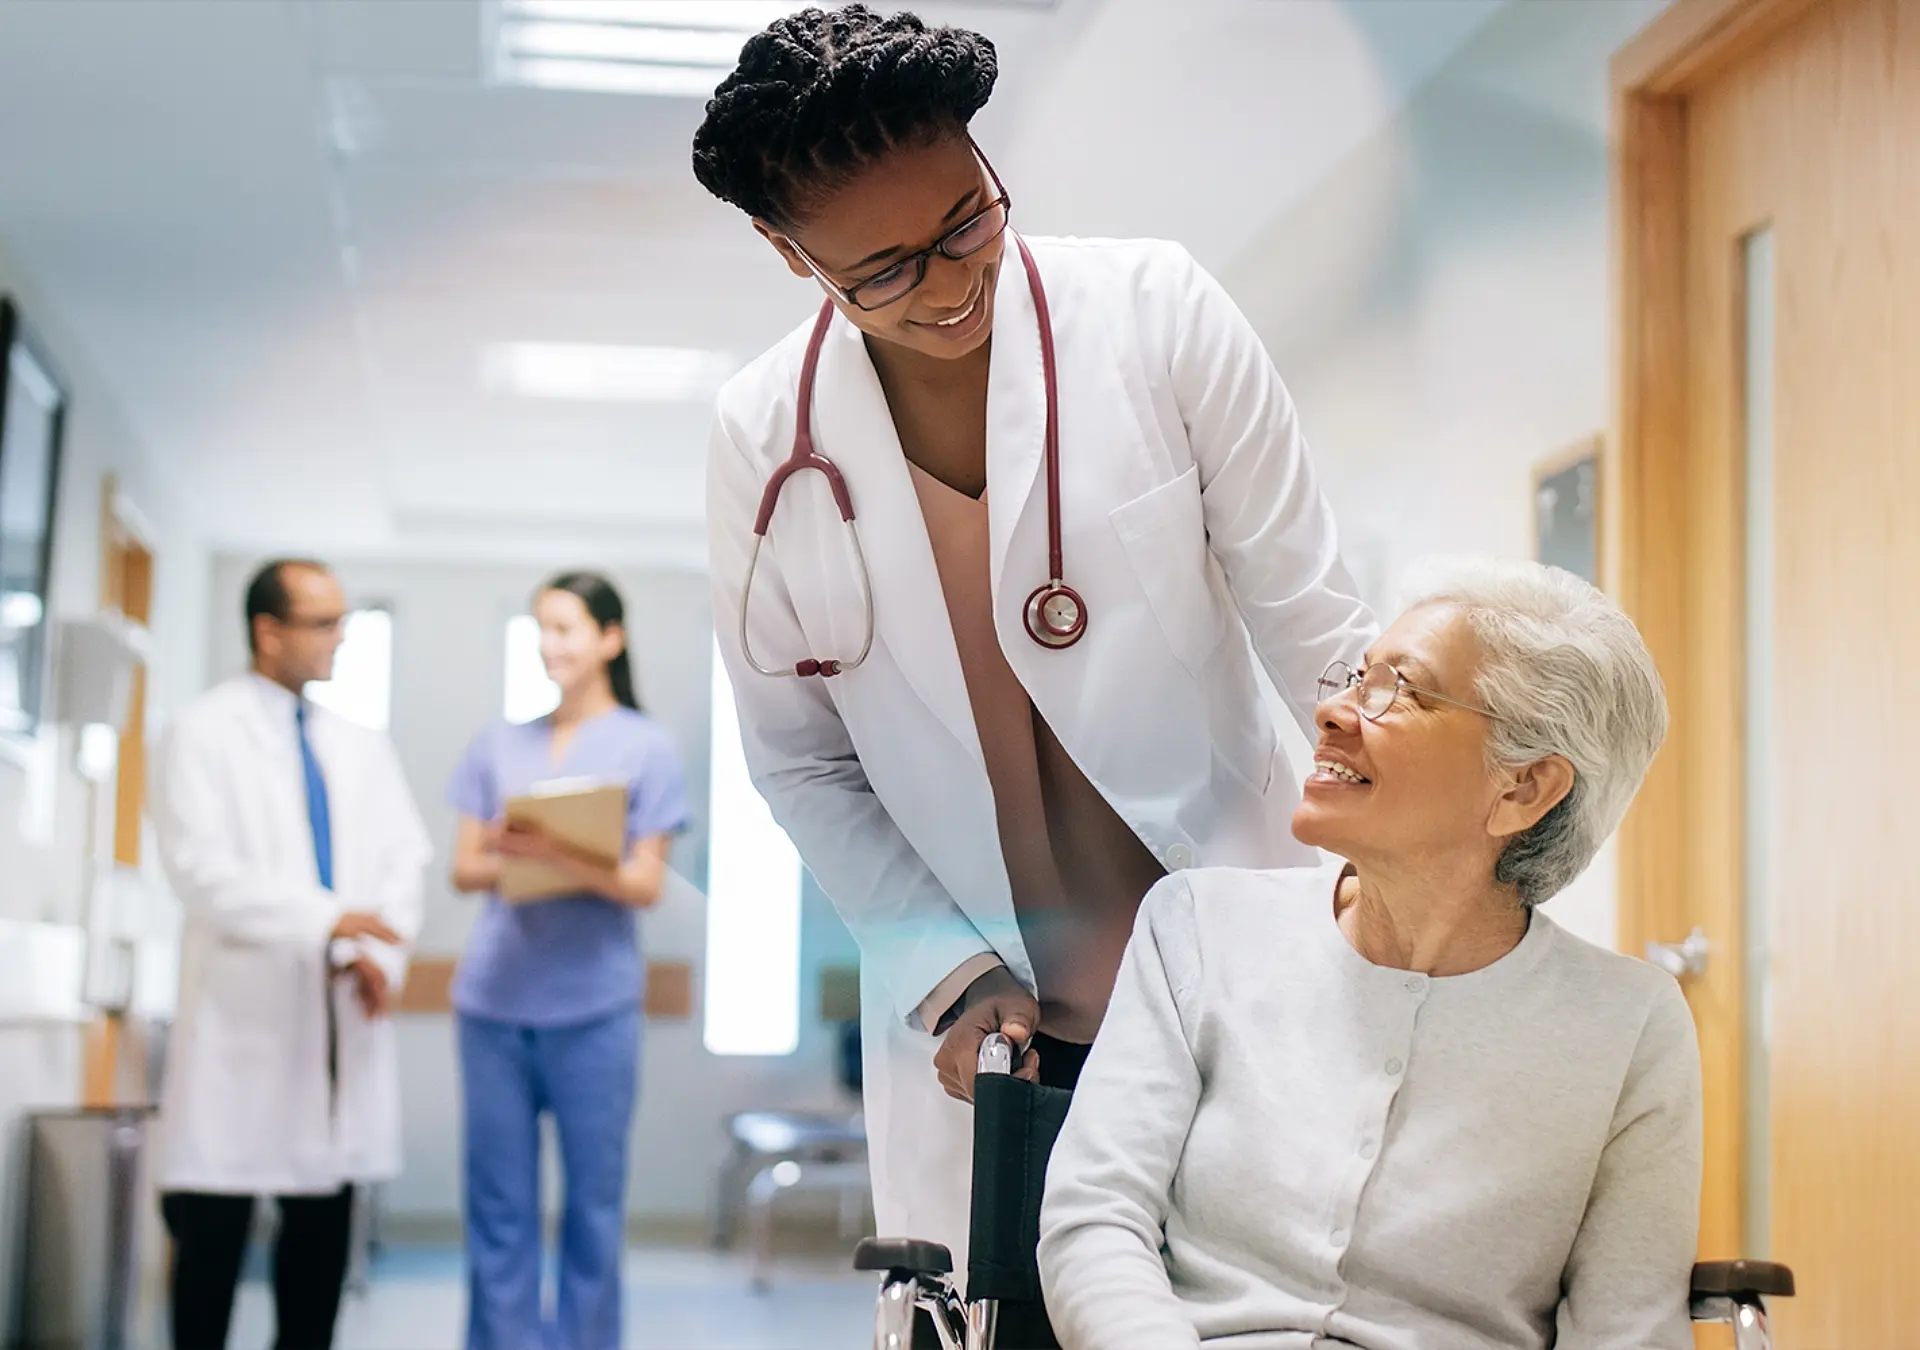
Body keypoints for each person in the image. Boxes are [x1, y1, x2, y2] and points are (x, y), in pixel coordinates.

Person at [695, 3, 1376, 1262]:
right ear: (788, 252)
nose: (952, 286)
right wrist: (947, 976)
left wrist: (1422, 866)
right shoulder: (760, 436)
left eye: (967, 221)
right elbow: (799, 758)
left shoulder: (1154, 313)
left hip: (1233, 965)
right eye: (885, 271)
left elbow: (1318, 627)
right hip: (991, 1031)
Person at [1038, 558, 1701, 1350]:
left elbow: (1626, 1329)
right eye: (1355, 676)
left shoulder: (1627, 1026)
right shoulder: (1199, 927)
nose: (1333, 711)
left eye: (1402, 690)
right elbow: (1095, 1220)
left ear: (1523, 790)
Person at [152, 559, 430, 1350]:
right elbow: (201, 873)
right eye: (324, 622)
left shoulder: (359, 744)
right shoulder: (200, 730)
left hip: (340, 1023)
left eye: (345, 620)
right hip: (243, 1026)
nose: (341, 637)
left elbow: (402, 862)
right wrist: (332, 919)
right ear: (266, 632)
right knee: (211, 1245)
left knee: (318, 1248)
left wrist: (383, 958)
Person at [447, 571, 689, 1350]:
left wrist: (554, 852)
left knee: (592, 1207)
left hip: (595, 1011)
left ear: (609, 640)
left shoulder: (648, 748)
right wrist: (531, 855)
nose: (551, 645)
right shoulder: (498, 743)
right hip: (492, 1005)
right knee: (499, 1208)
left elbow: (643, 883)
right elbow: (465, 868)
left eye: (566, 629)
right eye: (541, 629)